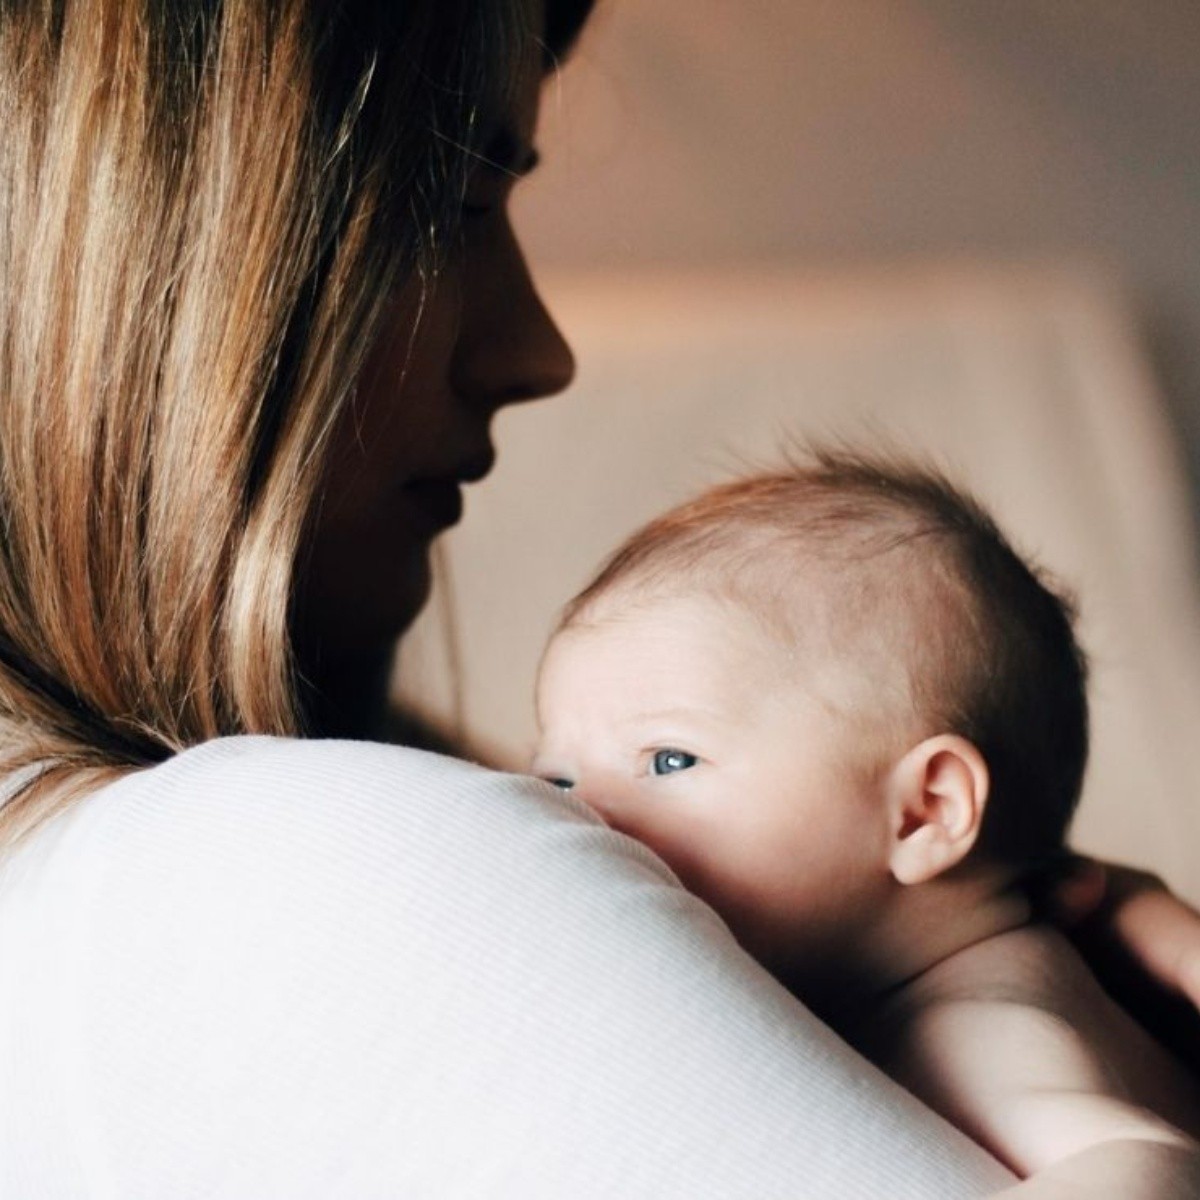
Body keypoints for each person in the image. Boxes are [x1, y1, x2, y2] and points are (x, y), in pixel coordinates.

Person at [0, 1, 1195, 1195]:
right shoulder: (318, 870)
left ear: (932, 809)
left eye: (670, 761)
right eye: (458, 206)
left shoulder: (1004, 1026)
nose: (541, 352)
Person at [533, 451, 1200, 1196]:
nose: (578, 810)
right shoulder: (1007, 956)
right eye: (555, 777)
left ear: (923, 813)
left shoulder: (970, 1026)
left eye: (669, 761)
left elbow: (1149, 1164)